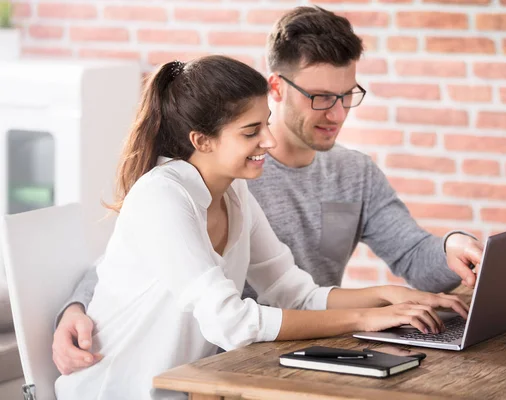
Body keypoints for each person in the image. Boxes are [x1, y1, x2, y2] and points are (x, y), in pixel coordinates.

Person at [52, 6, 483, 376]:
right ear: (277, 88)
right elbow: (139, 271)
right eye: (319, 97)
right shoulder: (181, 189)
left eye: (346, 95)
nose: (336, 113)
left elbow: (298, 290)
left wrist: (407, 284)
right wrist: (74, 307)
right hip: (195, 371)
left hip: (277, 357)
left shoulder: (244, 189)